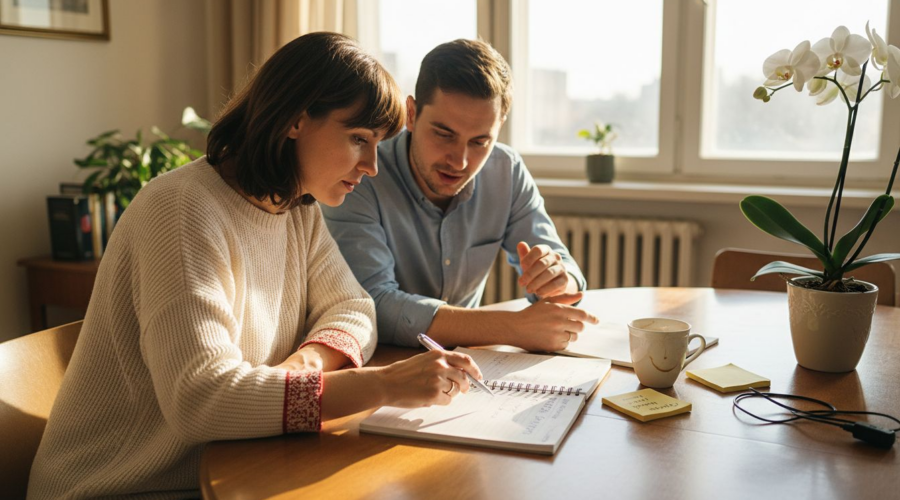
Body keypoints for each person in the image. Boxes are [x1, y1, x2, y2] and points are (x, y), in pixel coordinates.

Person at [28, 32, 481, 500]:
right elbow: (201, 401)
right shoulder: (181, 211)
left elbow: (354, 308)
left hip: (229, 466)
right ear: (296, 120)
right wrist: (383, 385)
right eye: (358, 139)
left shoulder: (295, 208)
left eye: (377, 143)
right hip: (121, 487)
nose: (371, 166)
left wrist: (305, 365)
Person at [322, 39, 599, 353]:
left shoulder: (505, 171)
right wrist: (512, 328)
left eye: (480, 142)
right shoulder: (361, 173)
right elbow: (372, 304)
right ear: (411, 114)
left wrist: (557, 280)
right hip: (382, 361)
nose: (460, 161)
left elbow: (564, 271)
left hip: (468, 365)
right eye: (443, 134)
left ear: (499, 128)